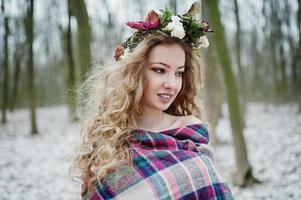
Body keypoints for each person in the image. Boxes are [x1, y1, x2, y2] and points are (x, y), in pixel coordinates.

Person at [72, 3, 234, 200]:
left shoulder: (190, 139)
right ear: (135, 73)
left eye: (179, 73)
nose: (172, 84)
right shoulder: (108, 142)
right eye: (159, 70)